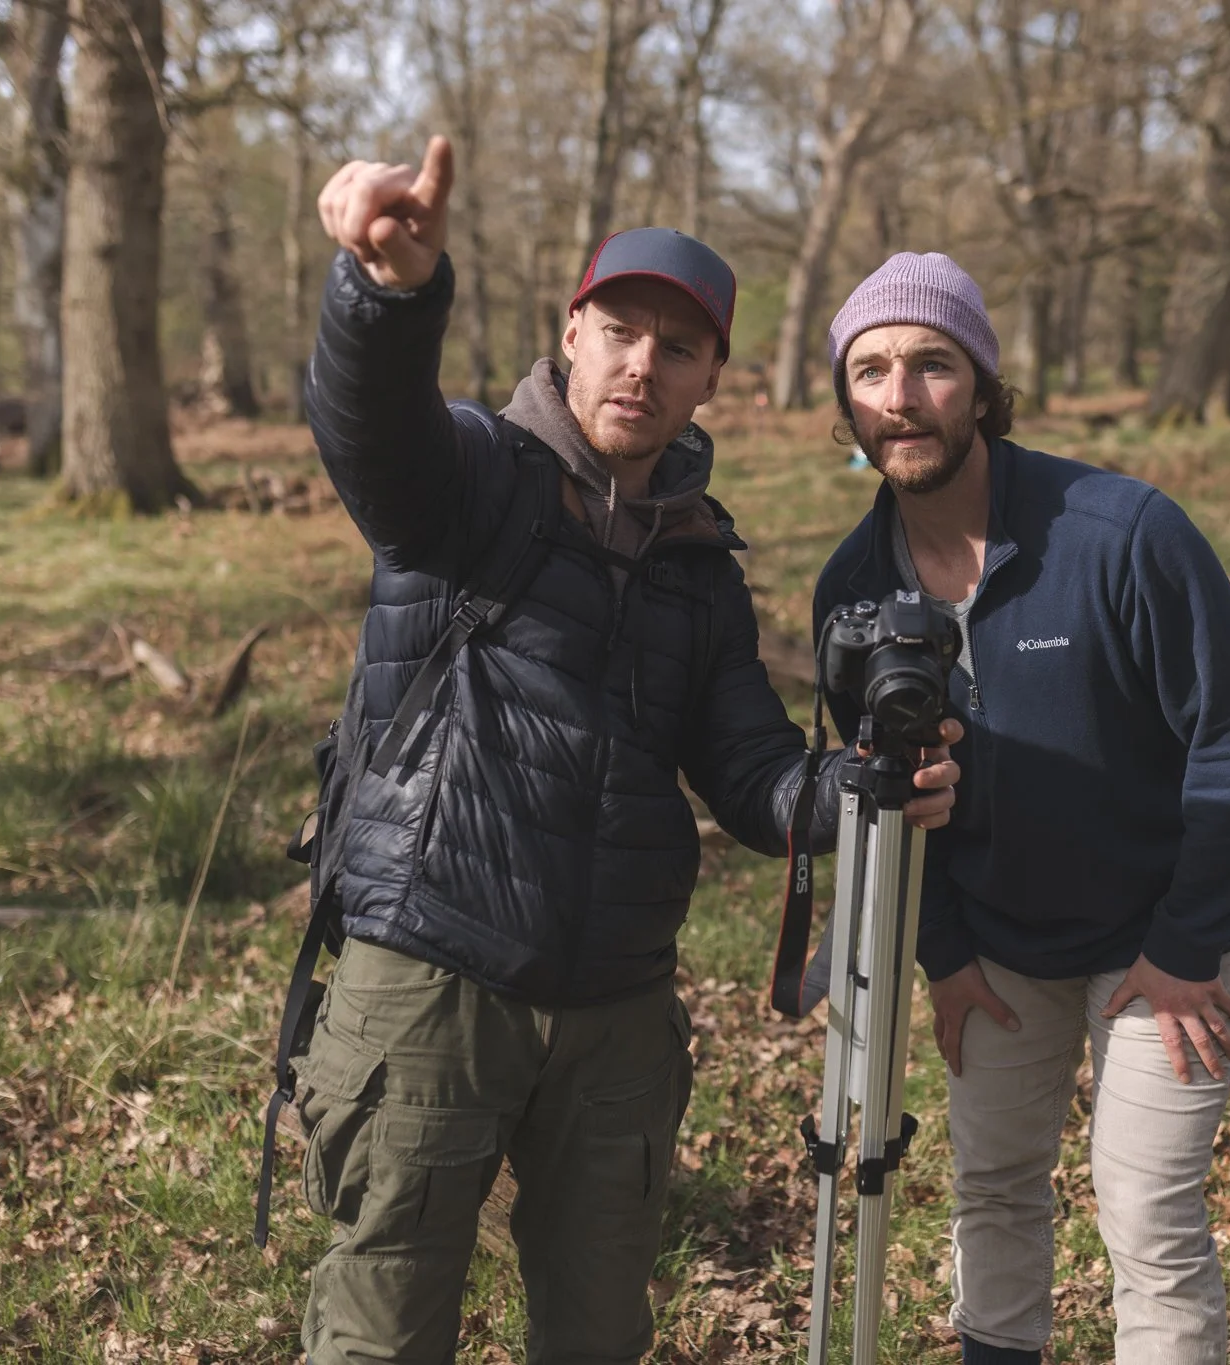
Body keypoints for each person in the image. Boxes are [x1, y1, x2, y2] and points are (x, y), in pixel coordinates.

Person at [293, 137, 961, 1365]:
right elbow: (364, 423)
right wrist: (385, 297)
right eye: (619, 330)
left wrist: (854, 786)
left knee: (599, 1335)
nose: (642, 365)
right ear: (570, 335)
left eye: (679, 345)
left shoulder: (698, 562)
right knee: (380, 1333)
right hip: (432, 973)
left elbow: (748, 767)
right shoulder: (469, 480)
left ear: (712, 376)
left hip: (614, 1010)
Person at [813, 252, 1230, 1365]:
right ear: (844, 399)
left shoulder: (1119, 533)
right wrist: (940, 952)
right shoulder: (850, 590)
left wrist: (1186, 947)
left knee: (1145, 1217)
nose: (900, 397)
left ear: (980, 383)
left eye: (932, 365)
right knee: (988, 1190)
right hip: (994, 951)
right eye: (871, 370)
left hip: (1156, 945)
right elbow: (879, 788)